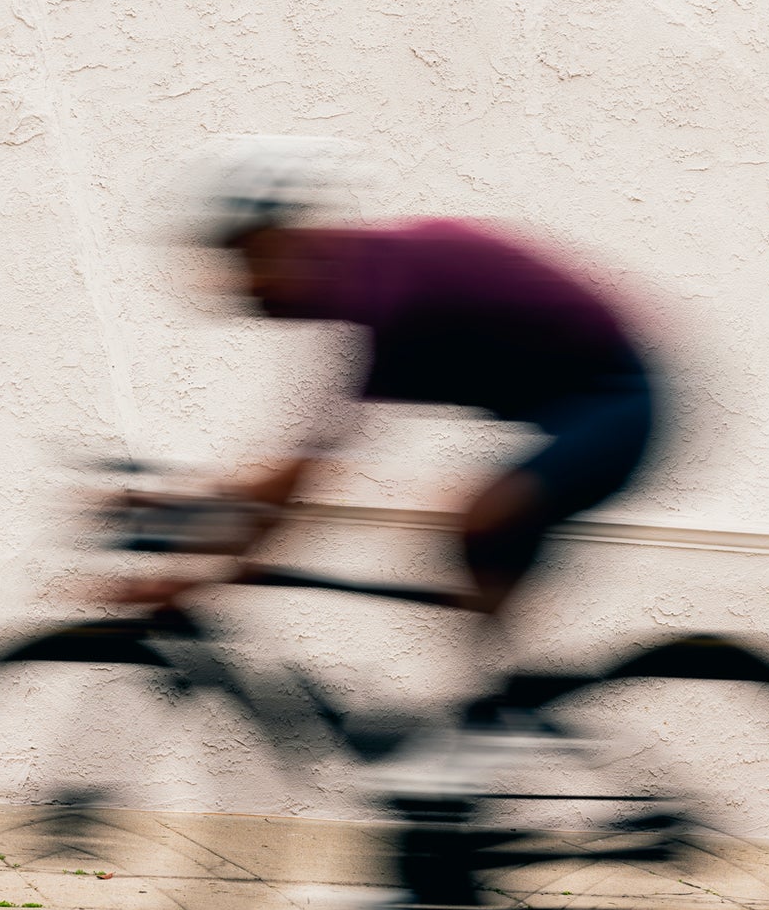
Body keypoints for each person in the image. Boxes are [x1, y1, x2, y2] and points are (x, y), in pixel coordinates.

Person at [116, 139, 658, 635]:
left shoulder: (385, 294)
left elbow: (301, 481)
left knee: (481, 520)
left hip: (620, 402)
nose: (243, 284)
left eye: (249, 260)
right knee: (474, 545)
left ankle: (499, 717)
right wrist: (192, 533)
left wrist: (198, 578)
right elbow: (292, 473)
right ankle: (494, 706)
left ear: (292, 240)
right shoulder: (362, 286)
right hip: (569, 406)